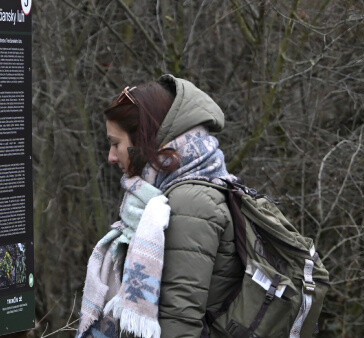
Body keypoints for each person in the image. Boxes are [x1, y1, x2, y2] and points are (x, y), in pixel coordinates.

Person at [77, 74, 244, 338]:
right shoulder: (172, 195)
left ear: (144, 139)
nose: (110, 157)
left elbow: (178, 324)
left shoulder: (190, 205)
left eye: (116, 143)